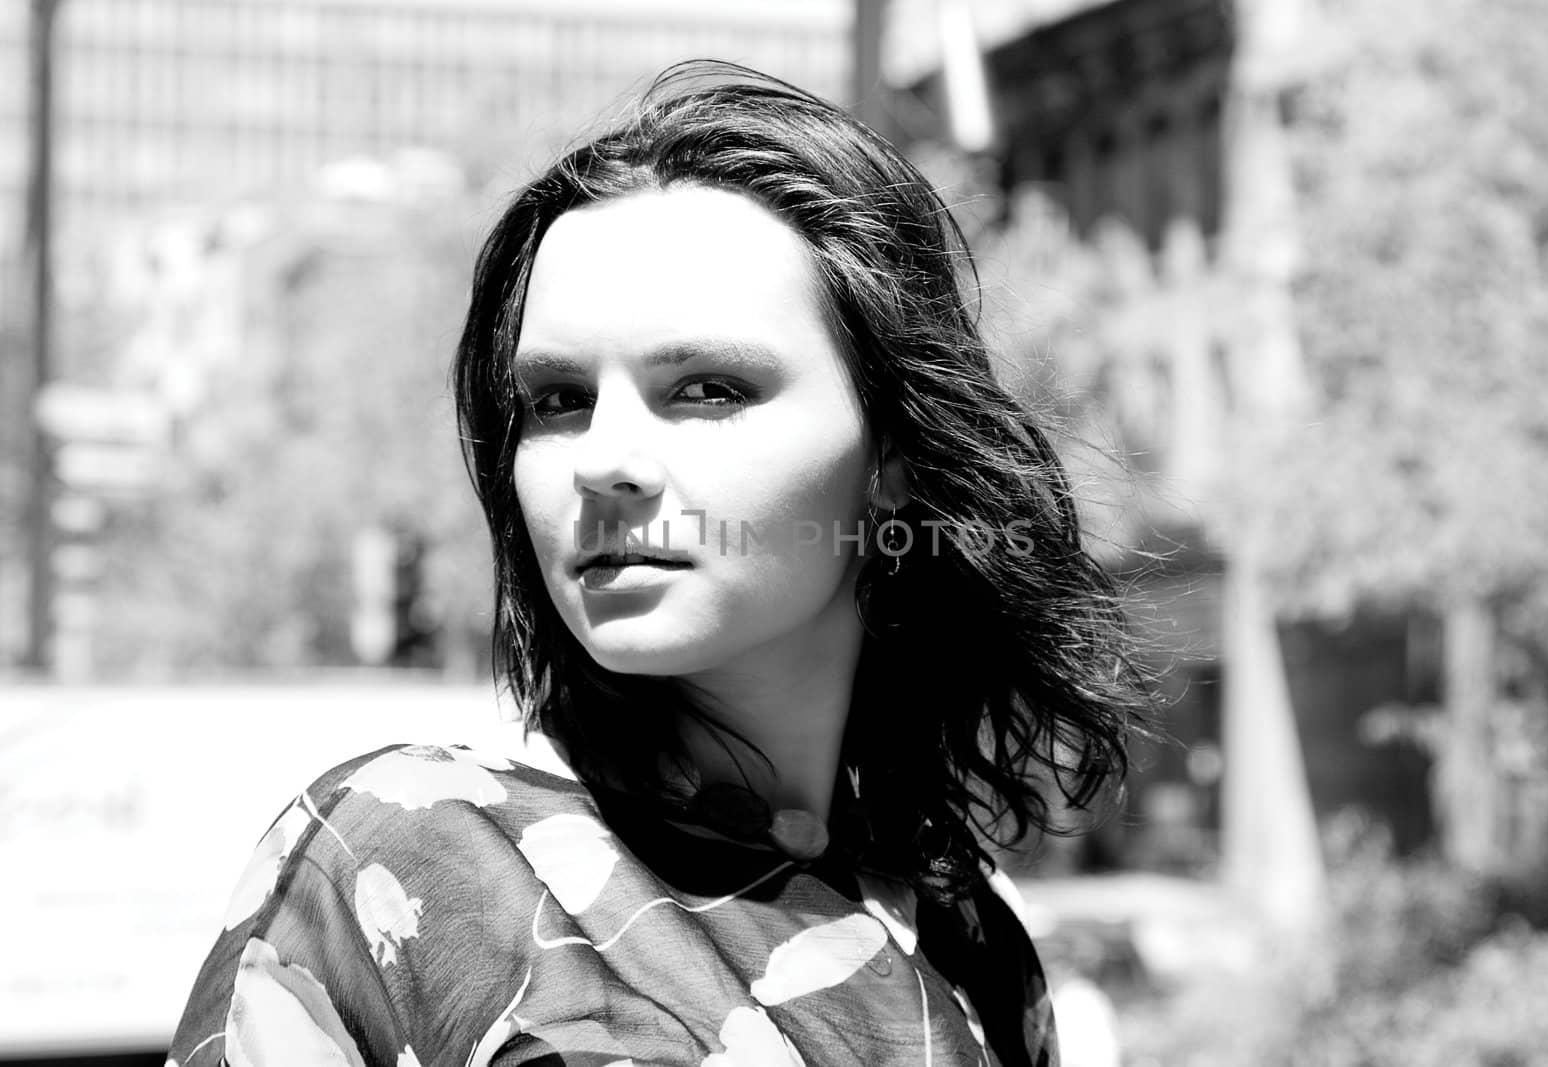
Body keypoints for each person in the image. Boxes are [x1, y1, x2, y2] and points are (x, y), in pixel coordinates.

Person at [166, 62, 1152, 1067]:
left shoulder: (970, 934)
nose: (605, 462)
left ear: (891, 459)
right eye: (556, 399)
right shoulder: (406, 854)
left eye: (707, 387)